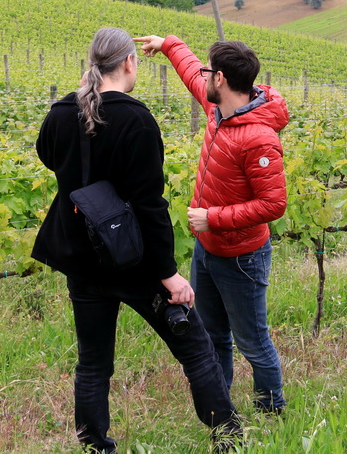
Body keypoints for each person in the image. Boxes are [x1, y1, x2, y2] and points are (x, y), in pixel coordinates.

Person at [31, 27, 242, 453]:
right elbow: (149, 206)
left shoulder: (59, 114)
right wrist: (168, 275)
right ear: (130, 62)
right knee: (197, 350)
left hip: (82, 262)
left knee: (93, 364)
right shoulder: (136, 120)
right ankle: (230, 439)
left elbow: (49, 157)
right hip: (134, 261)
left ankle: (95, 447)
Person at [135, 34, 288, 414]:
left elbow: (275, 204)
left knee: (252, 342)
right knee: (212, 336)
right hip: (209, 250)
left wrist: (213, 218)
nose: (201, 77)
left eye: (208, 72)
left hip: (242, 257)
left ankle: (272, 412)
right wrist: (167, 43)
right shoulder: (216, 108)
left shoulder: (258, 139)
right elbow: (190, 71)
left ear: (219, 78)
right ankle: (222, 410)